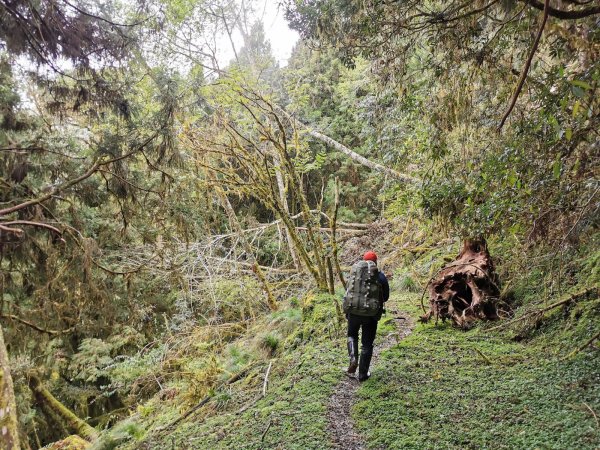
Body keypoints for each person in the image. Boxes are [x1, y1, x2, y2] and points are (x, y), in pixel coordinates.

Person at [346, 251, 390, 381]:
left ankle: (353, 360)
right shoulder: (380, 277)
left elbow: (348, 291)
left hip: (353, 312)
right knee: (367, 344)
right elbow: (386, 297)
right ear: (375, 262)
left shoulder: (354, 274)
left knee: (352, 335)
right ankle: (363, 374)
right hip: (370, 316)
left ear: (363, 261)